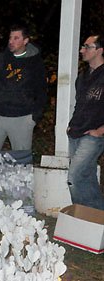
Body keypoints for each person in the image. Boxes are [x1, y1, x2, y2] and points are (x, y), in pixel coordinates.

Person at [0, 25, 47, 190]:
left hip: (22, 117)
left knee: (20, 158)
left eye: (16, 38)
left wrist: (34, 117)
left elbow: (41, 91)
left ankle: (19, 200)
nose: (11, 42)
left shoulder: (36, 63)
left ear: (25, 41)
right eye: (10, 38)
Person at [67, 34, 104, 210]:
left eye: (87, 47)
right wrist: (71, 124)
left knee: (74, 177)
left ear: (99, 50)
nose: (82, 50)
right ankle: (96, 219)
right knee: (86, 177)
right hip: (76, 132)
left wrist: (101, 130)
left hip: (94, 135)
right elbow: (80, 103)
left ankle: (81, 214)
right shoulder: (82, 76)